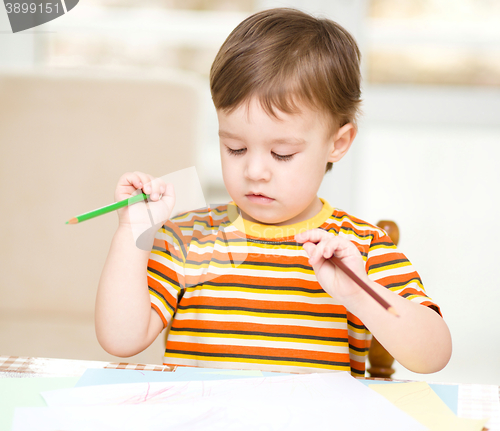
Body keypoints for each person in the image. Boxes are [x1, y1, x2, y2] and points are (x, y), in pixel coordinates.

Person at [95, 8, 451, 376]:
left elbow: (433, 356)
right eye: (235, 148)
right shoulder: (188, 239)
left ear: (338, 143)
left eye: (282, 153)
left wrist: (360, 293)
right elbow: (120, 341)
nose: (254, 171)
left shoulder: (358, 246)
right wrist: (132, 233)